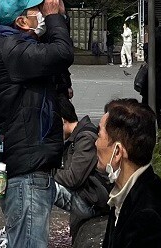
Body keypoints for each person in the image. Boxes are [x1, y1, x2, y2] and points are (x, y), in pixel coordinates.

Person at [0, 0, 74, 248]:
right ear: (21, 21)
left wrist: (57, 18)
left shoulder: (9, 45)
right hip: (27, 170)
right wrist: (53, 18)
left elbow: (54, 55)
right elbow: (62, 53)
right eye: (36, 9)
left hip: (22, 164)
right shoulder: (13, 51)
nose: (42, 12)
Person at [95, 99, 161, 248]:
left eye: (99, 134)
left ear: (117, 152)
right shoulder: (127, 192)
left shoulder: (147, 216)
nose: (96, 143)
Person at [53, 95, 110, 244]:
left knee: (40, 184)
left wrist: (49, 172)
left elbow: (73, 178)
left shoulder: (85, 138)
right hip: (87, 198)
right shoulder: (76, 138)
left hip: (92, 204)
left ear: (62, 120)